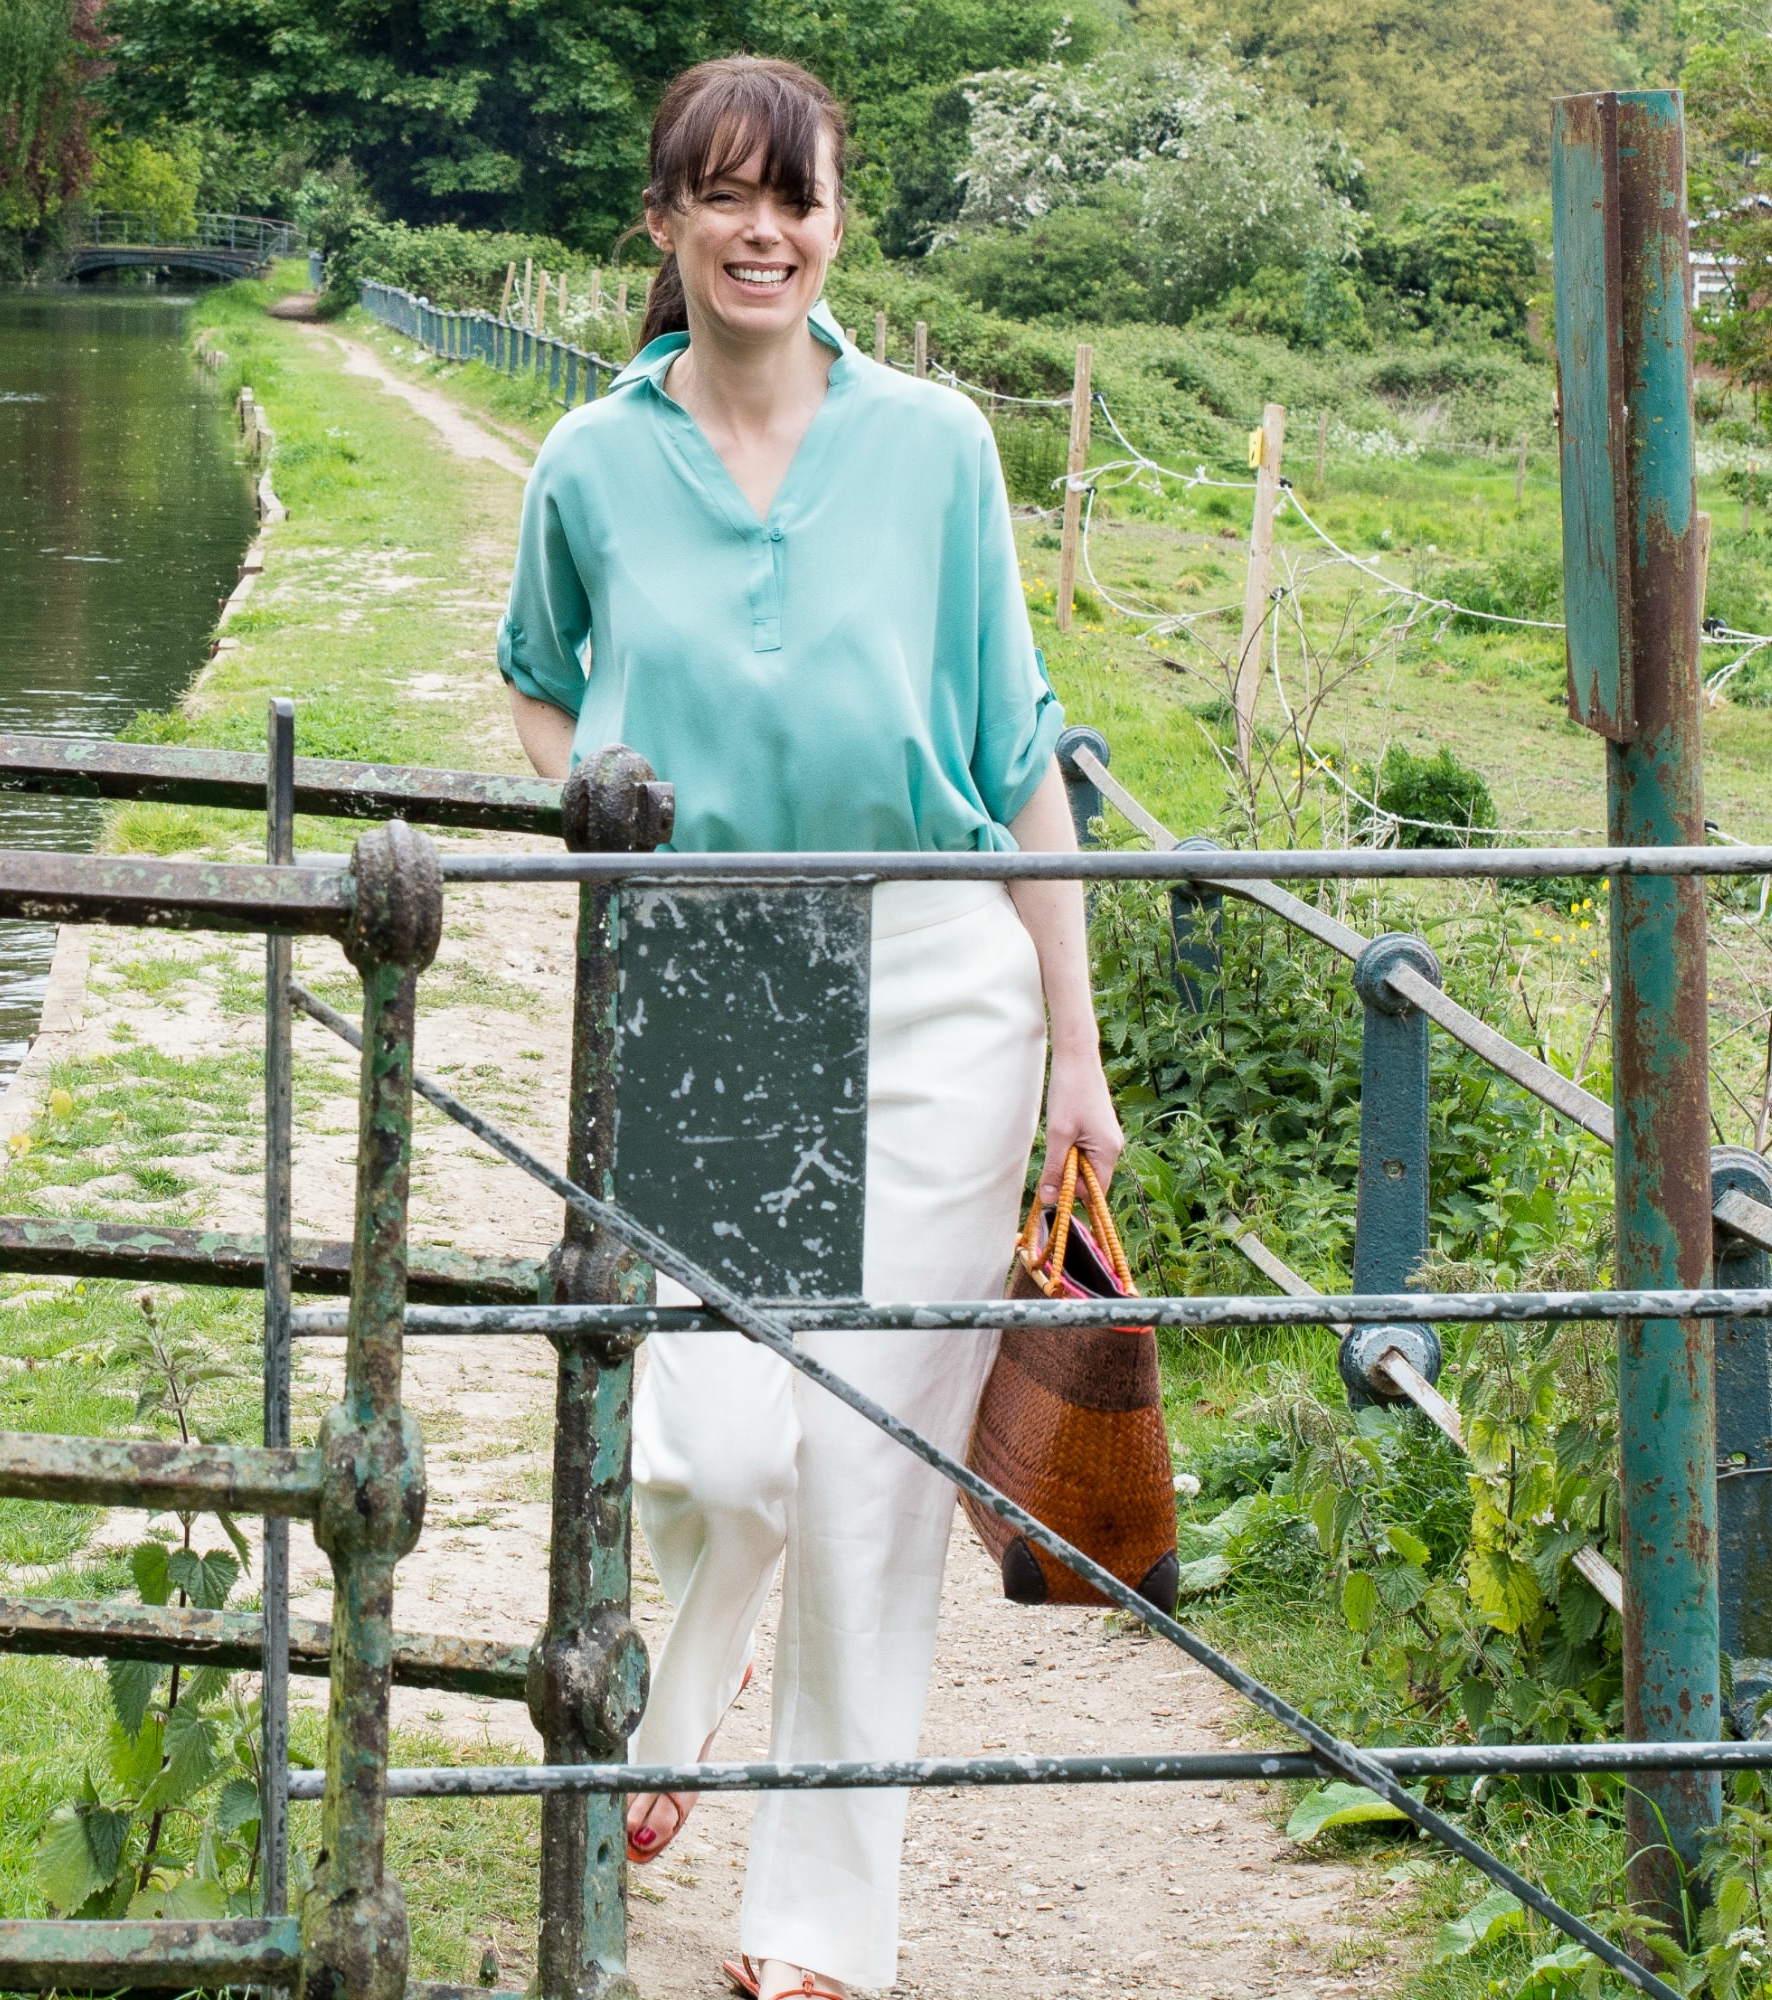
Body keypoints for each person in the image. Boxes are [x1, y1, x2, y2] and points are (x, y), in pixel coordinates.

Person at [495, 54, 1125, 2000]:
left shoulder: (935, 447)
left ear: (836, 218)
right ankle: (684, 1694)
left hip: (944, 965)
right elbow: (533, 689)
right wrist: (612, 794)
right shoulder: (592, 465)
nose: (764, 228)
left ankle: (817, 1931)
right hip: (724, 961)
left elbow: (1022, 754)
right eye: (725, 195)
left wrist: (1076, 1053)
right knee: (712, 1449)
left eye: (797, 194)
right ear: (667, 224)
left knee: (863, 1470)